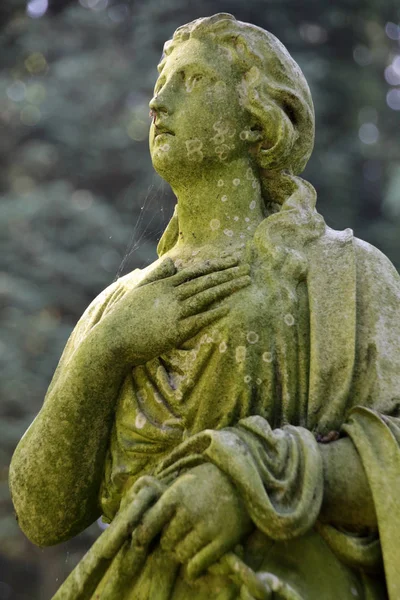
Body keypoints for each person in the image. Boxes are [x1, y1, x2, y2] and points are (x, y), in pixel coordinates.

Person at [9, 13, 400, 600]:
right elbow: (42, 515)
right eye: (161, 81)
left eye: (191, 80)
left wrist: (251, 483)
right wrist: (105, 353)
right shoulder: (118, 306)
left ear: (258, 122)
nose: (158, 102)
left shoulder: (344, 275)